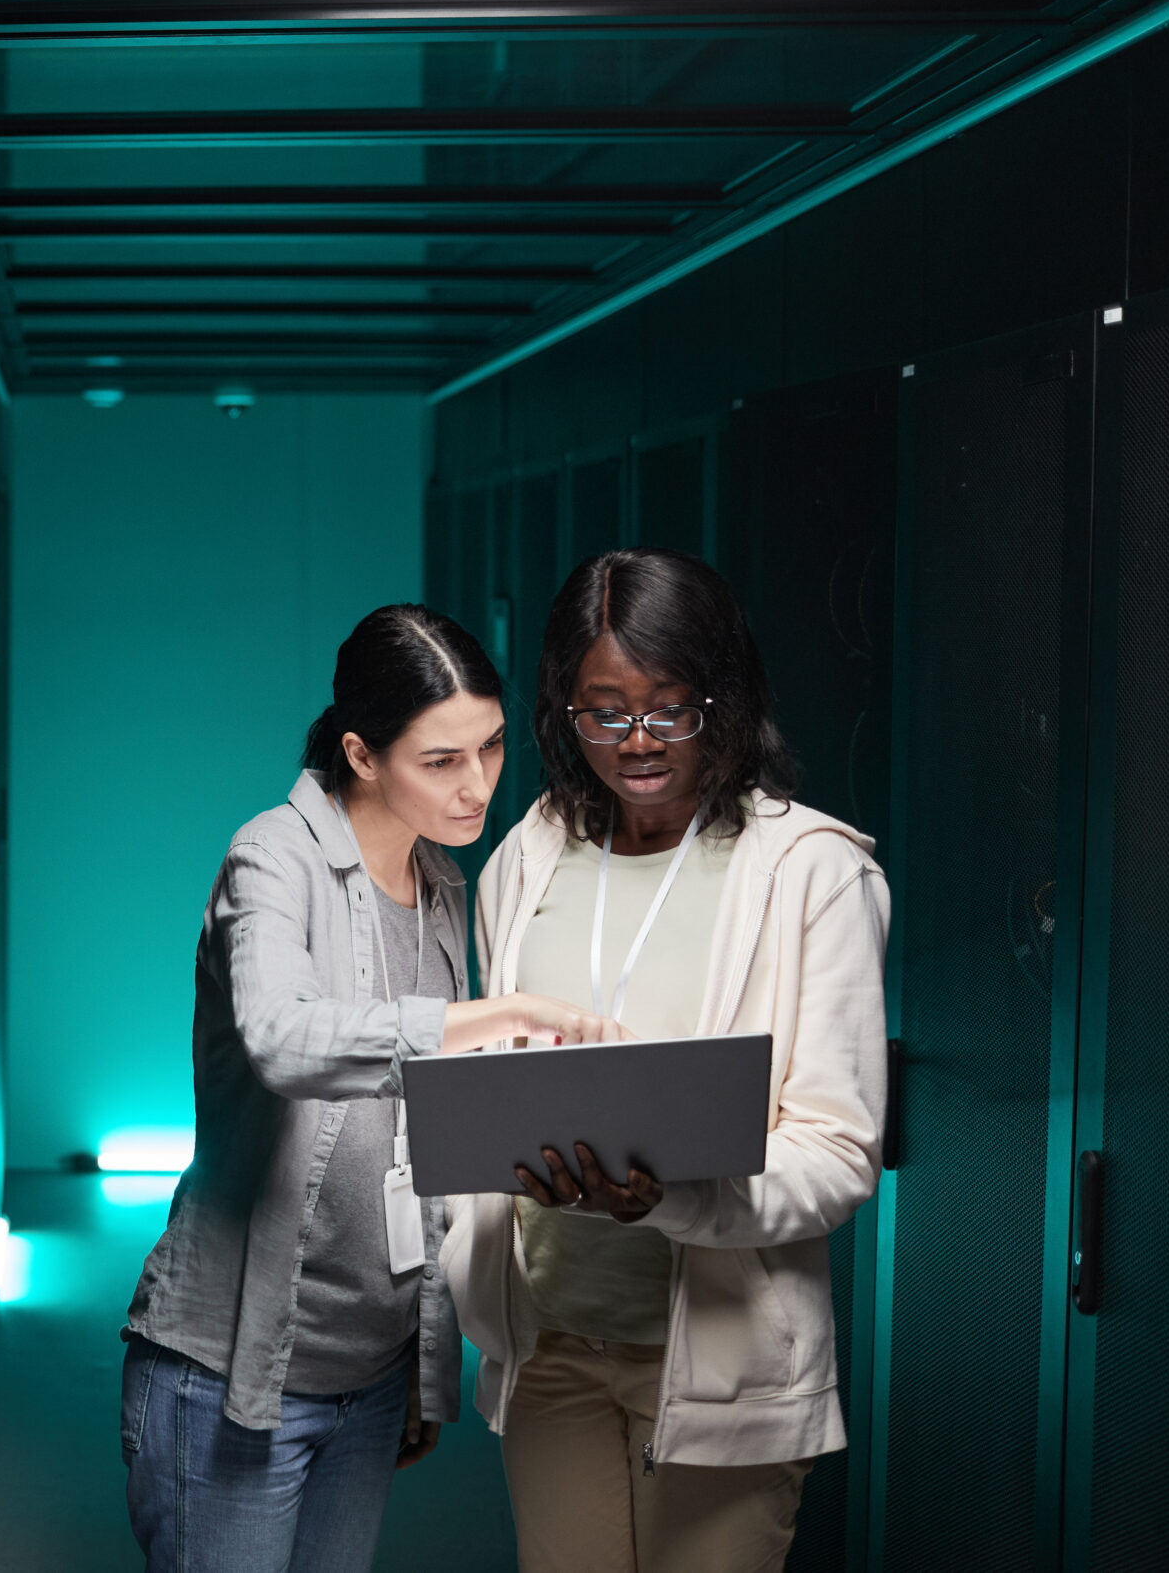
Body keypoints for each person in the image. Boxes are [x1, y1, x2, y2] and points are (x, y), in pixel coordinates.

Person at [120, 603, 623, 1573]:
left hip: (369, 1382)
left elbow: (418, 1149)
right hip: (229, 1372)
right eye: (441, 761)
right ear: (360, 753)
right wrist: (484, 1015)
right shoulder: (272, 857)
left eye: (488, 748)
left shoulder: (441, 889)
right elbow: (282, 1038)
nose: (476, 785)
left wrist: (422, 1372)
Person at [442, 548, 889, 1573]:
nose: (636, 743)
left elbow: (835, 1152)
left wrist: (666, 1199)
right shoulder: (530, 854)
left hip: (722, 1363)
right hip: (550, 1349)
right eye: (603, 713)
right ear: (563, 710)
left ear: (721, 699)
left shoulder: (811, 873)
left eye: (668, 709)